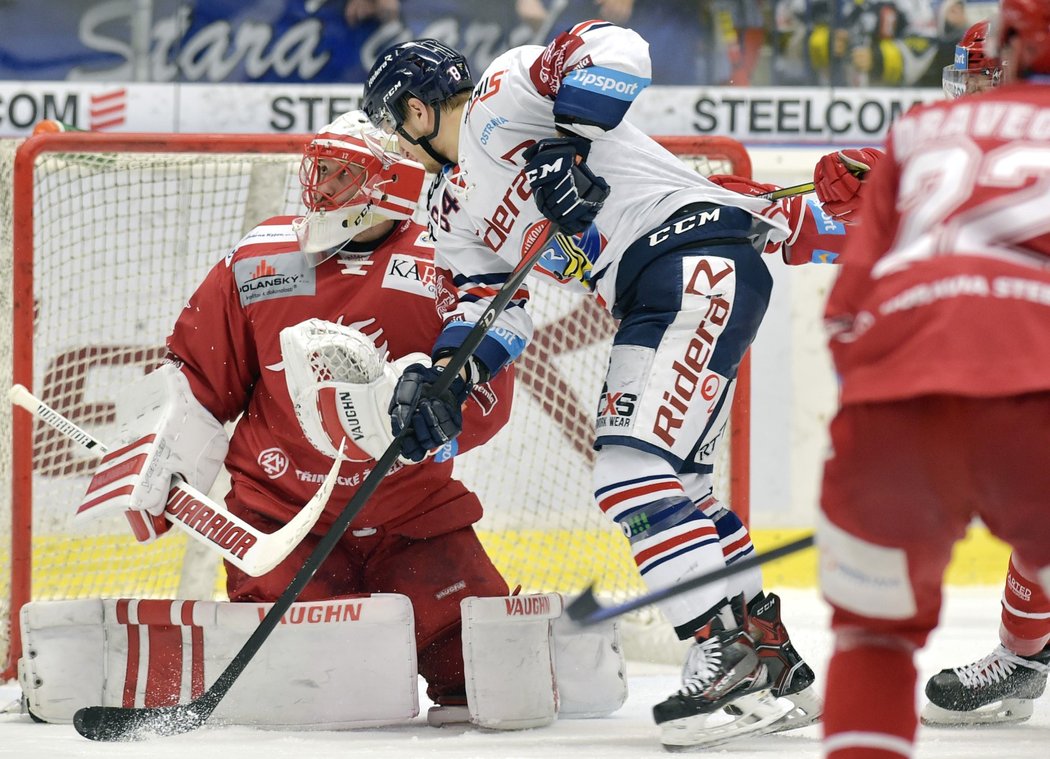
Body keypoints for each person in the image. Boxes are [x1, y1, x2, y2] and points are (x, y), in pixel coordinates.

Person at [360, 26, 851, 749]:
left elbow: (618, 47)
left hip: (692, 255)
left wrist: (572, 136)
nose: (394, 142)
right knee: (681, 488)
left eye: (392, 122)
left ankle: (721, 648)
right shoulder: (450, 209)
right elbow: (490, 311)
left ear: (418, 109)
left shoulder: (508, 90)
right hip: (657, 287)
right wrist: (446, 375)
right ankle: (771, 660)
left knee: (631, 473)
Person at [77, 110, 515, 715]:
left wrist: (442, 416)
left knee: (489, 672)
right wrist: (159, 452)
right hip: (281, 519)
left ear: (393, 183)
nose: (323, 191)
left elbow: (489, 388)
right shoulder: (260, 259)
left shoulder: (448, 261)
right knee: (301, 694)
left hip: (413, 514)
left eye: (343, 175)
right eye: (321, 171)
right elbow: (201, 375)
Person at [816, 0, 1050, 755]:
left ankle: (1022, 654)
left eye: (982, 71)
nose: (970, 89)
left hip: (896, 409)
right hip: (1030, 398)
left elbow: (846, 313)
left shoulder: (915, 136)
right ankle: (1025, 656)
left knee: (871, 641)